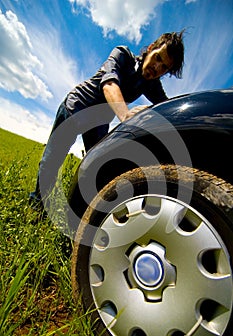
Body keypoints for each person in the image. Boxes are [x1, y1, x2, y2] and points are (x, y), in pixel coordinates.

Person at [29, 30, 185, 210]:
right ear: (150, 49)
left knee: (100, 167)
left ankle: (84, 211)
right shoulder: (123, 55)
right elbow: (109, 83)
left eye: (164, 67)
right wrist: (126, 116)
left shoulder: (151, 84)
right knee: (52, 160)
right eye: (157, 58)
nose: (157, 68)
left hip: (99, 122)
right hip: (76, 107)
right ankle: (37, 206)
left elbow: (166, 106)